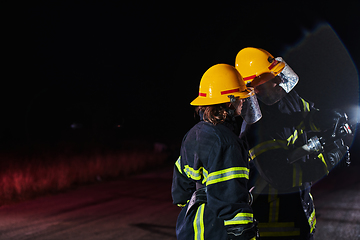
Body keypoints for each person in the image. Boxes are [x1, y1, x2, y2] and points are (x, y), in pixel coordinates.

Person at [235, 47, 350, 240]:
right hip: (276, 223)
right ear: (255, 86)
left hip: (300, 212)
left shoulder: (283, 98)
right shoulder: (255, 127)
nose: (280, 79)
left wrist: (329, 118)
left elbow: (307, 115)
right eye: (272, 76)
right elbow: (282, 176)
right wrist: (326, 161)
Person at [171, 63, 262, 240]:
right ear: (229, 101)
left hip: (190, 227)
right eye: (240, 98)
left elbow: (180, 193)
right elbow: (232, 202)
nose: (243, 102)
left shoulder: (193, 134)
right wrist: (244, 234)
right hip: (215, 230)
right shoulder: (227, 142)